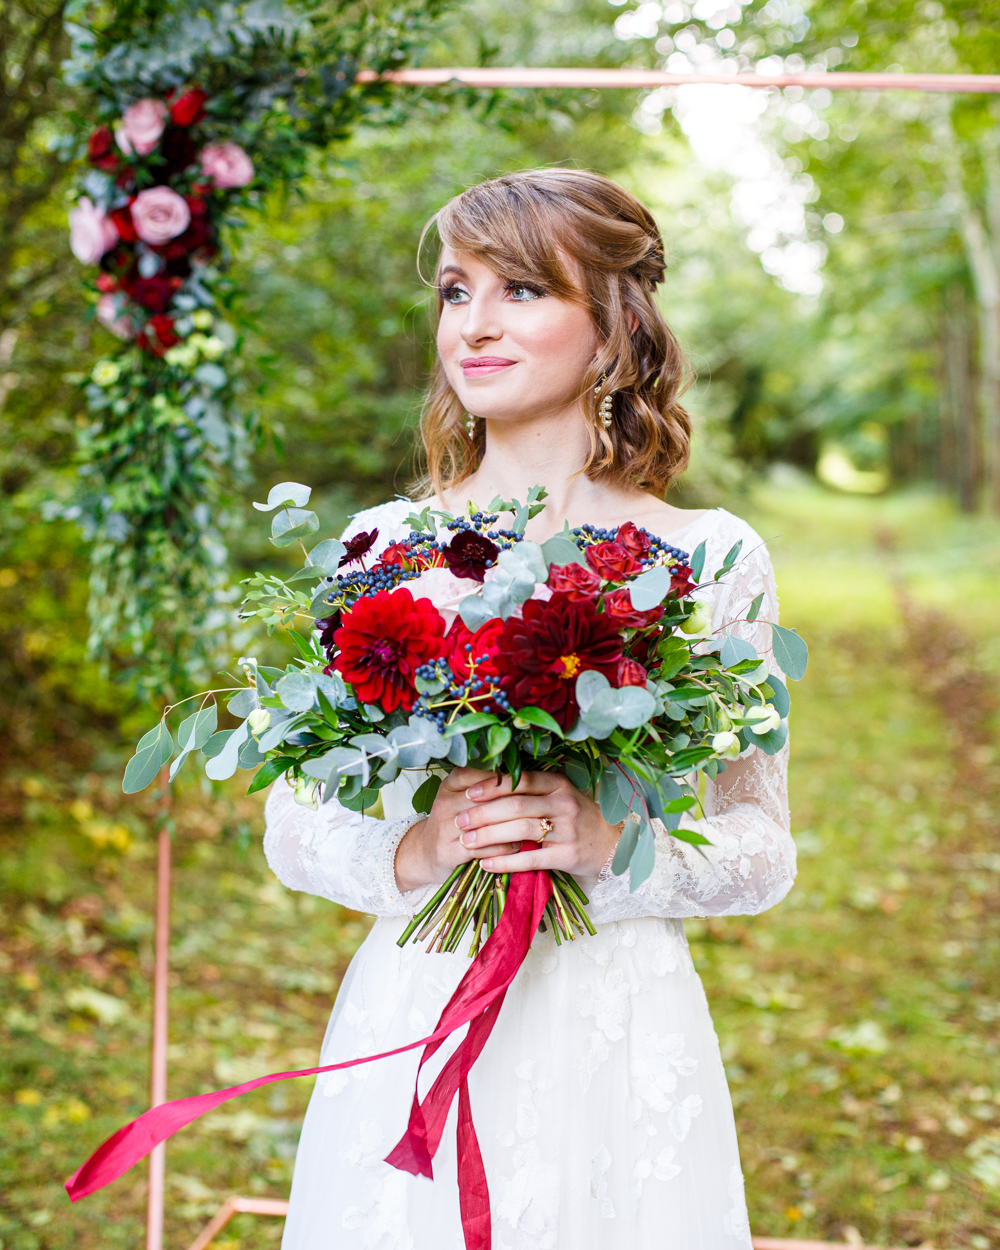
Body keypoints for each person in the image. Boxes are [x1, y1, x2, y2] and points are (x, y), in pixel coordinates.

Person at [263, 168, 795, 1250]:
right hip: (422, 995)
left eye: (519, 289)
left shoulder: (709, 557)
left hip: (618, 1018)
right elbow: (293, 823)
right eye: (457, 292)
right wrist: (420, 843)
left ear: (610, 329)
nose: (474, 323)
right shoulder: (379, 546)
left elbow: (761, 846)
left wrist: (612, 842)